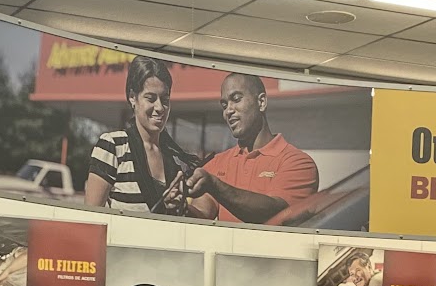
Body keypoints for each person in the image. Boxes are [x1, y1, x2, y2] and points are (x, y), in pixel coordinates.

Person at [184, 74, 319, 223]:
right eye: (224, 105)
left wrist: (216, 186)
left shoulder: (298, 163)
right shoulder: (216, 163)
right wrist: (179, 207)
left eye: (236, 99)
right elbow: (201, 214)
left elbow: (278, 216)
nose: (228, 111)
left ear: (261, 102)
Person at [83, 56, 204, 213]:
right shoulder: (113, 146)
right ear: (133, 97)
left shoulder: (174, 159)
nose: (160, 107)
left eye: (165, 99)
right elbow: (91, 216)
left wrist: (179, 207)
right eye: (151, 98)